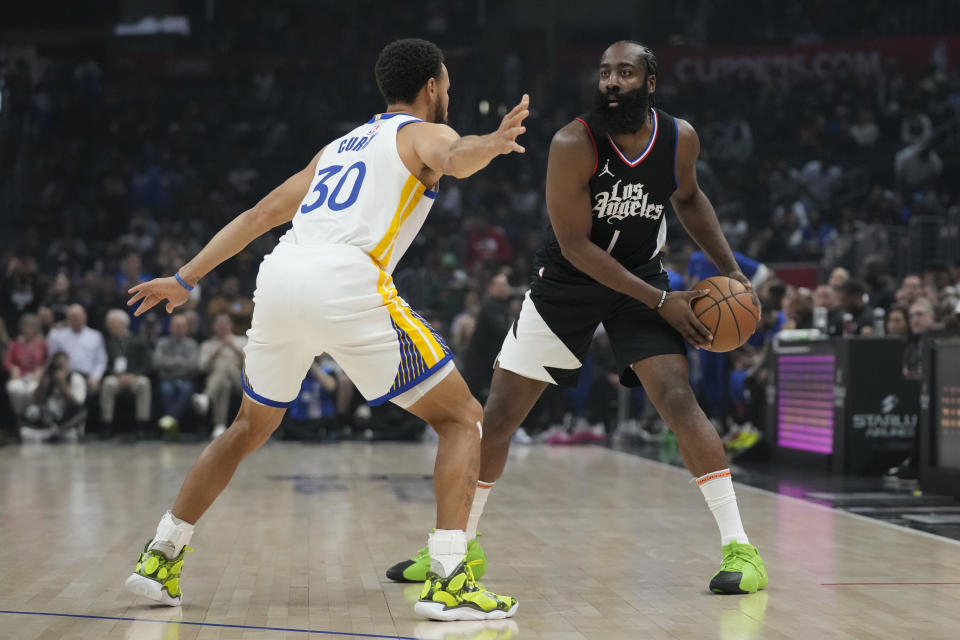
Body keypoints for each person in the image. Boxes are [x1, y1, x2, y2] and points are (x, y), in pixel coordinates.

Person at [123, 38, 526, 621]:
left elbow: (259, 216)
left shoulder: (338, 148)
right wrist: (492, 143)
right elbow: (458, 155)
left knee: (246, 428)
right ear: (433, 87)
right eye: (447, 85)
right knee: (463, 417)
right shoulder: (419, 133)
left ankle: (161, 557)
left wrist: (186, 277)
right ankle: (449, 579)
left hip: (282, 276)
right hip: (346, 279)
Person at [387, 40, 768, 595]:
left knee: (679, 400)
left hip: (641, 279)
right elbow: (573, 245)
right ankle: (457, 547)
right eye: (606, 72)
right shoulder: (573, 142)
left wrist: (733, 272)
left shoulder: (679, 138)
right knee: (496, 421)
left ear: (650, 82)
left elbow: (689, 199)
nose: (612, 81)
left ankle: (741, 549)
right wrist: (662, 301)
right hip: (568, 284)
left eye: (626, 72)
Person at [100, 309, 153, 439]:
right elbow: (104, 363)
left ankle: (142, 425)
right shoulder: (108, 343)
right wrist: (118, 376)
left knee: (144, 384)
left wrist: (133, 375)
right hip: (116, 378)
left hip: (135, 377)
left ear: (123, 324)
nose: (109, 327)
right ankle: (107, 424)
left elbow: (147, 364)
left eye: (112, 323)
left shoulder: (139, 340)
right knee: (108, 384)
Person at [195, 313, 246, 438]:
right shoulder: (207, 345)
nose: (222, 326)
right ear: (214, 327)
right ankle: (220, 426)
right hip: (217, 381)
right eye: (219, 323)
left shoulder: (241, 341)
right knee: (224, 384)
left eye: (225, 323)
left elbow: (251, 364)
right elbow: (201, 367)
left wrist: (233, 347)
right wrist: (215, 353)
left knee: (224, 364)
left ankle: (206, 396)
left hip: (240, 381)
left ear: (231, 326)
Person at [20, 351, 87, 442]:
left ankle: (50, 434)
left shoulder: (76, 378)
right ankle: (54, 433)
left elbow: (78, 404)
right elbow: (34, 400)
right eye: (57, 365)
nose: (59, 368)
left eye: (62, 365)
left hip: (67, 418)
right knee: (31, 411)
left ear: (68, 364)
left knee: (82, 412)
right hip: (49, 418)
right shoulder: (48, 377)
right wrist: (42, 382)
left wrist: (63, 385)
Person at [153, 313, 200, 431]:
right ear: (170, 327)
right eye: (176, 326)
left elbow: (193, 365)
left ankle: (170, 420)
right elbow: (157, 362)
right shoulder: (162, 343)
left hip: (185, 379)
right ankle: (172, 422)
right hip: (167, 379)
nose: (178, 329)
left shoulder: (192, 344)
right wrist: (179, 362)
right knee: (166, 390)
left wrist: (170, 363)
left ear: (186, 328)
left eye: (181, 326)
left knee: (185, 390)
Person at [46, 304, 107, 395]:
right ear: (67, 318)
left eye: (78, 316)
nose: (75, 320)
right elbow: (52, 357)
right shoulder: (58, 335)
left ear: (85, 317)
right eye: (72, 317)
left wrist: (96, 377)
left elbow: (101, 361)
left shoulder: (95, 336)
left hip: (87, 377)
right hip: (66, 375)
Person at [3, 313, 48, 418]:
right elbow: (6, 361)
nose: (28, 329)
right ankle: (19, 416)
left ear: (36, 328)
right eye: (25, 326)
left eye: (31, 326)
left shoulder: (42, 343)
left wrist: (41, 369)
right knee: (14, 389)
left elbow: (48, 360)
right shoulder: (15, 343)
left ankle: (30, 417)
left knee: (31, 390)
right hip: (20, 375)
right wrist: (12, 368)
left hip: (35, 376)